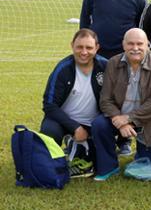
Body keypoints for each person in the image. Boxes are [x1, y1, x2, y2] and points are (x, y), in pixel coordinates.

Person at [80, 0, 148, 157]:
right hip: (98, 54)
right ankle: (97, 134)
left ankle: (124, 139)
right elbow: (85, 16)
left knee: (126, 96)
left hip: (124, 56)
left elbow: (141, 27)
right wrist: (85, 44)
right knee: (98, 94)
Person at [91, 28, 151, 181]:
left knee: (149, 163)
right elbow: (105, 99)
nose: (135, 48)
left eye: (140, 44)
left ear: (147, 44)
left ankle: (143, 151)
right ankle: (109, 166)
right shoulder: (113, 63)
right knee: (99, 124)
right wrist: (120, 121)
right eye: (130, 44)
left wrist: (129, 118)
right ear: (123, 45)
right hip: (119, 117)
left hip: (148, 118)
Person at [41, 29, 108, 178]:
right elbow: (49, 105)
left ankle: (82, 146)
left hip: (94, 123)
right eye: (79, 47)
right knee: (49, 131)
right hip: (65, 122)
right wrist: (74, 127)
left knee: (99, 164)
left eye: (89, 47)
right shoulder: (62, 69)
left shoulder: (105, 66)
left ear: (97, 47)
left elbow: (116, 99)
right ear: (72, 46)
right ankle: (53, 159)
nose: (84, 52)